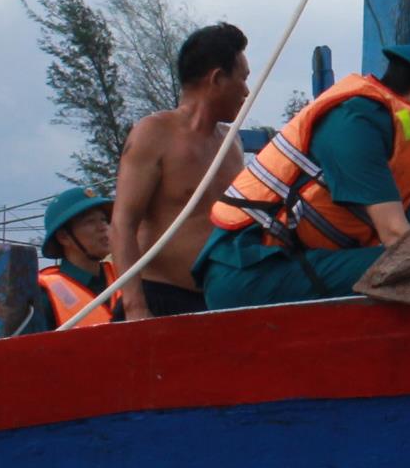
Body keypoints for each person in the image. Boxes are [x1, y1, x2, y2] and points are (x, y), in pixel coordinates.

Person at [196, 34, 410, 310]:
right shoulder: (354, 123)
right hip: (247, 269)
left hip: (281, 262)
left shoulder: (384, 126)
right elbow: (396, 235)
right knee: (407, 268)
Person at [109, 21, 252, 320]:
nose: (247, 91)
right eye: (242, 79)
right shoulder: (154, 133)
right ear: (217, 79)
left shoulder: (232, 143)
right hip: (159, 298)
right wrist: (136, 307)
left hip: (219, 300)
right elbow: (123, 223)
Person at [15, 189, 117, 333]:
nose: (103, 227)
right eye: (90, 221)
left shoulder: (126, 276)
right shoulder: (44, 296)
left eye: (104, 220)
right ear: (64, 237)